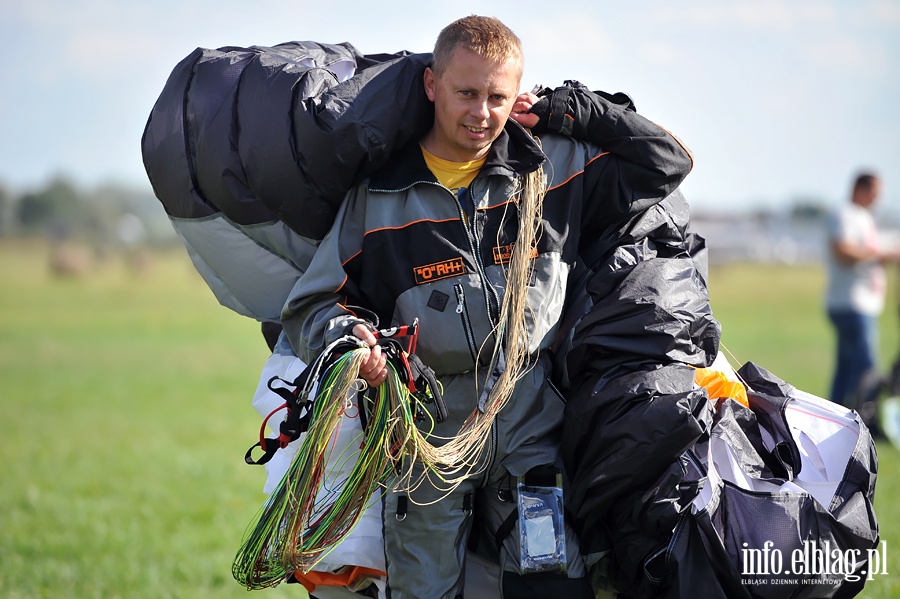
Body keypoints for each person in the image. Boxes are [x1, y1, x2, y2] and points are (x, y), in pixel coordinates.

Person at [281, 15, 693, 598]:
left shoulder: (555, 168)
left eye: (497, 97)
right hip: (425, 434)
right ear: (431, 85)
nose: (481, 114)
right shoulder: (378, 199)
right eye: (466, 92)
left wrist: (571, 111)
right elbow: (314, 305)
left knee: (553, 586)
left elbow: (668, 161)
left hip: (532, 423)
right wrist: (354, 344)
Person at [825, 172, 896, 406]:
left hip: (863, 302)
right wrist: (879, 253)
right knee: (865, 368)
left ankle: (834, 415)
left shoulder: (863, 217)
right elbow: (843, 250)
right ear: (860, 189)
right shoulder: (843, 213)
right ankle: (865, 420)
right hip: (851, 303)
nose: (877, 199)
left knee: (845, 368)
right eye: (874, 193)